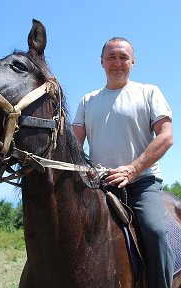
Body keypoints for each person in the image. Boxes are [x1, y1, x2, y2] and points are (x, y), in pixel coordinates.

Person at [72, 37, 175, 288]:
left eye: (123, 57)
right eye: (111, 57)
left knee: (155, 231)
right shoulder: (88, 100)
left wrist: (132, 169)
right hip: (100, 186)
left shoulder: (149, 92)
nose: (117, 63)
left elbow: (166, 136)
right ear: (101, 62)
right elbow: (74, 145)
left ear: (133, 62)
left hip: (142, 183)